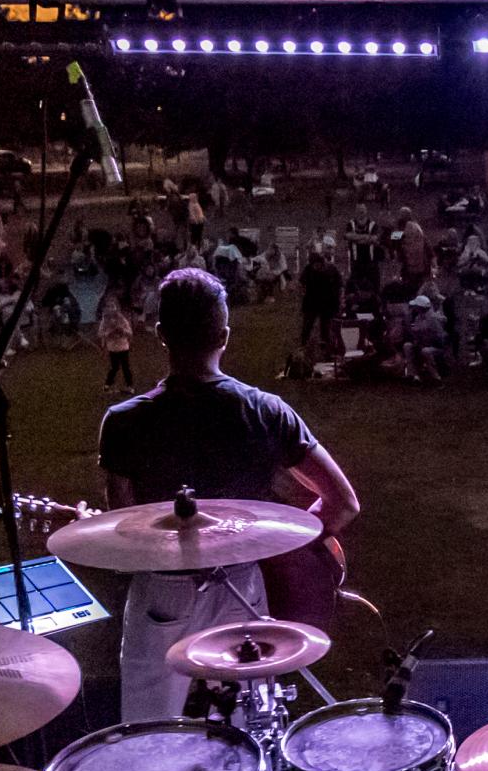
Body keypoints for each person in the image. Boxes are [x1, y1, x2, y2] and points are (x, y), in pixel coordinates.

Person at [99, 268, 360, 722]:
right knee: (248, 729)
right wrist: (293, 548)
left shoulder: (123, 422)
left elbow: (124, 538)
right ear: (223, 335)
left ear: (161, 335)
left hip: (163, 594)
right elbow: (343, 502)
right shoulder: (265, 410)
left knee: (148, 730)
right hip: (241, 587)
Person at [299, 251, 342, 352]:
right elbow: (301, 282)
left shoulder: (331, 269)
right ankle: (303, 344)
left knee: (325, 326)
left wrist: (338, 300)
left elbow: (339, 285)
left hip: (328, 301)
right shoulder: (308, 269)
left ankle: (325, 347)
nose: (316, 267)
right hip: (312, 300)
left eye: (317, 265)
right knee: (307, 325)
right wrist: (302, 290)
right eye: (314, 265)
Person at [97, 298, 136, 391]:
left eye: (113, 306)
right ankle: (108, 384)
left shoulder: (122, 319)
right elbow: (100, 333)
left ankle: (129, 385)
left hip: (123, 347)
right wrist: (109, 333)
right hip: (113, 348)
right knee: (114, 367)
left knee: (126, 367)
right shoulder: (105, 321)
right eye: (109, 307)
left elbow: (130, 332)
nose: (111, 309)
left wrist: (122, 331)